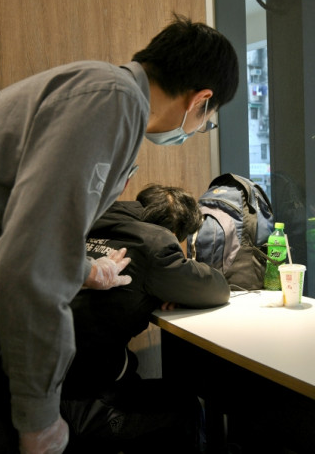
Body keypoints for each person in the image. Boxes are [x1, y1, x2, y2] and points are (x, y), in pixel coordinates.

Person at [0, 14, 239, 454]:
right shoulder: (113, 102)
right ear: (201, 100)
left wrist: (84, 269)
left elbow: (21, 222)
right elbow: (33, 261)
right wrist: (40, 420)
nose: (199, 129)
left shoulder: (91, 88)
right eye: (208, 120)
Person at [60, 184, 230, 453]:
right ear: (175, 233)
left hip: (47, 388)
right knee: (184, 405)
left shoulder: (90, 221)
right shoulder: (155, 243)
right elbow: (215, 289)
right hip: (86, 402)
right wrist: (172, 287)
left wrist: (157, 289)